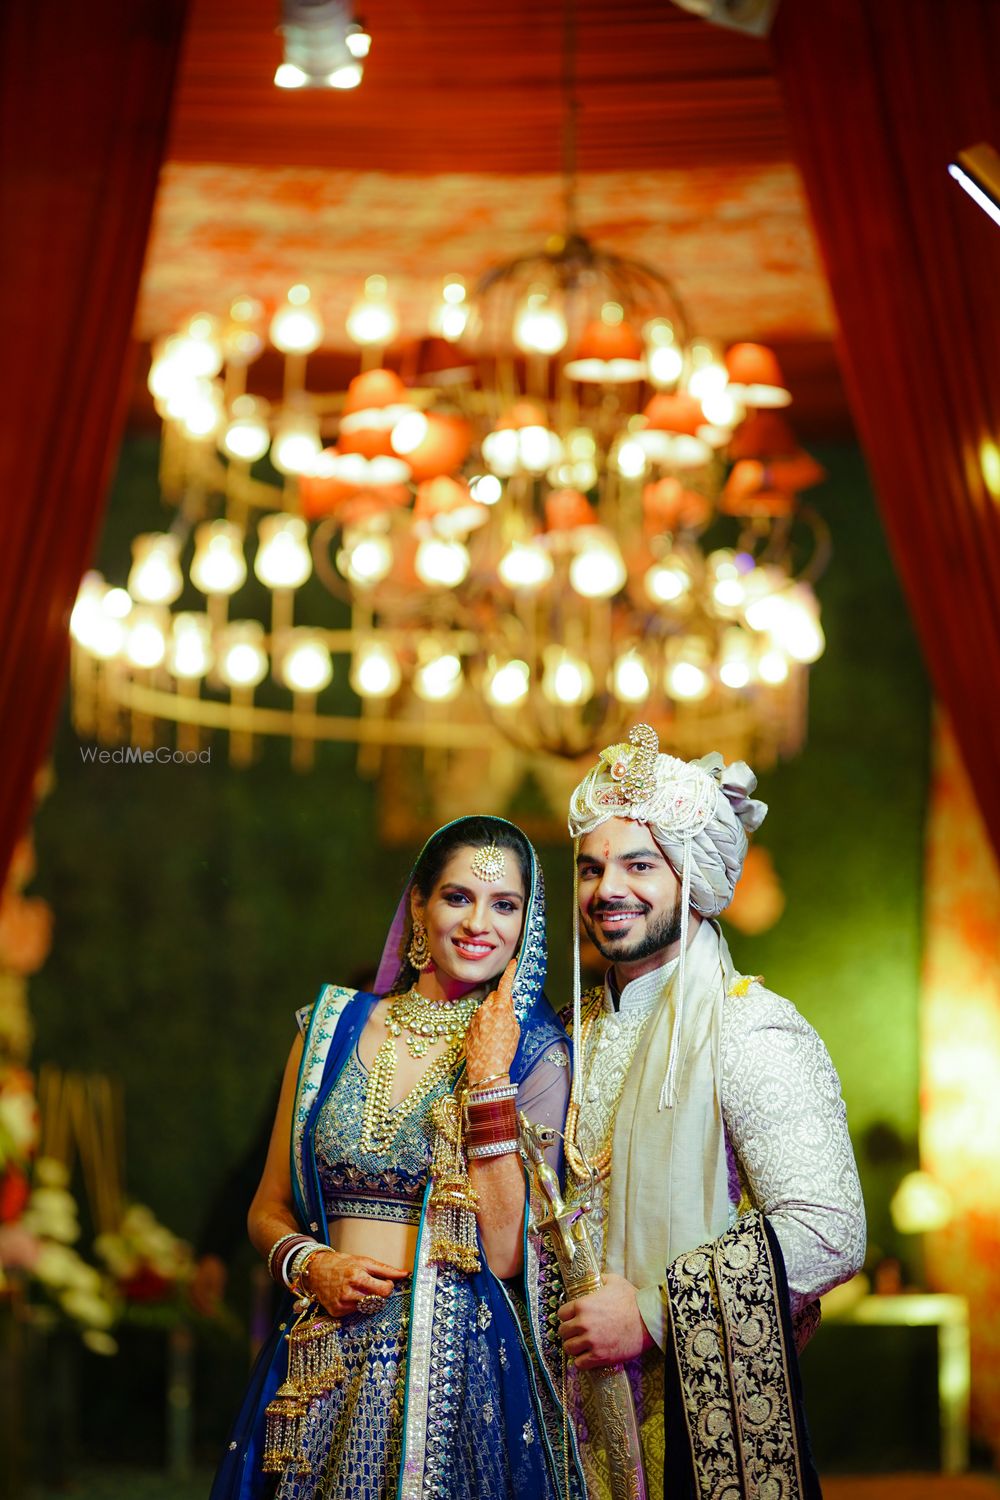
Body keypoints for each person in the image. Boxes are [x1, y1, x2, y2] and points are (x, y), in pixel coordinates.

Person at [210, 815, 582, 1500]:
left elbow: (504, 1253)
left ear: (526, 925)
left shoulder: (534, 1053)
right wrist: (311, 1263)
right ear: (419, 905)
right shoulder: (329, 1027)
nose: (480, 924)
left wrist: (491, 1083)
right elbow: (268, 1207)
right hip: (318, 1359)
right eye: (458, 897)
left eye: (505, 906)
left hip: (453, 1375)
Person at [550, 724, 866, 1500]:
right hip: (565, 1411)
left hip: (699, 1422)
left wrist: (656, 1314)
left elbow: (831, 1229)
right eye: (591, 869)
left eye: (639, 864)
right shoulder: (568, 1036)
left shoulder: (749, 1028)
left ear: (692, 876)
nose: (606, 890)